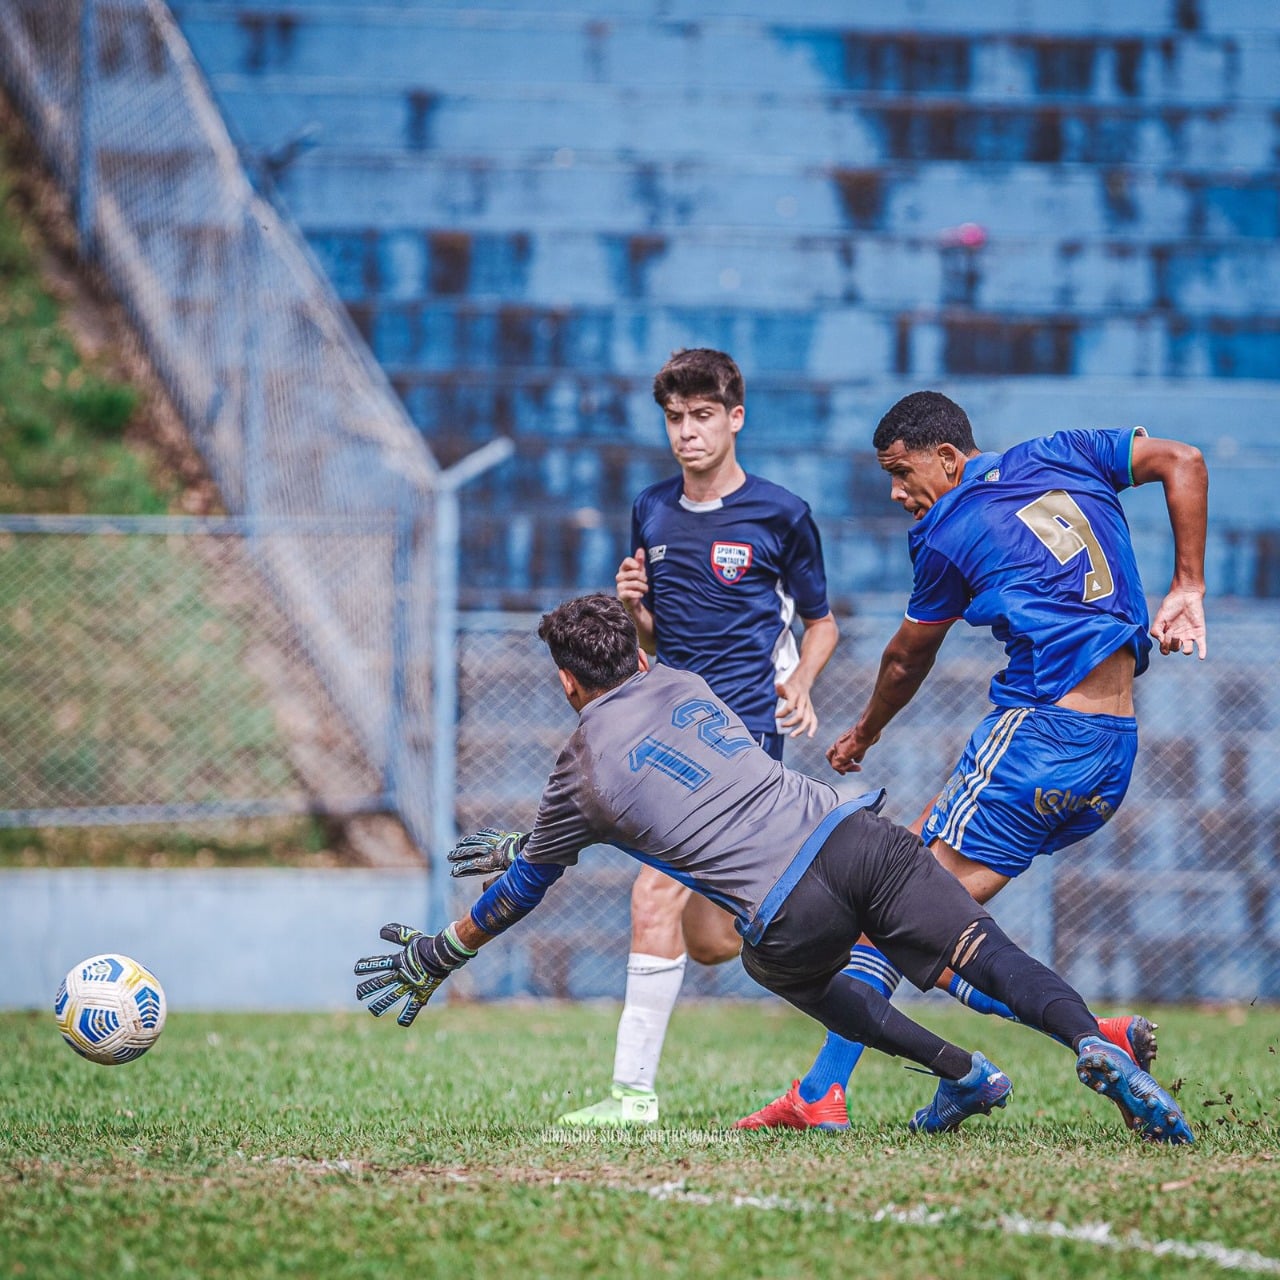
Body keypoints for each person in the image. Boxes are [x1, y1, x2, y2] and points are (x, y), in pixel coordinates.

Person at [353, 594, 1194, 1146]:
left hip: (791, 914)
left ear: (569, 684)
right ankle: (1089, 1039)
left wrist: (442, 952)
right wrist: (537, 842)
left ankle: (965, 1074)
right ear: (637, 661)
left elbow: (527, 889)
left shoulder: (582, 769)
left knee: (785, 967)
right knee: (982, 950)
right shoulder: (681, 678)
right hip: (857, 833)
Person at [736, 390, 1208, 1132]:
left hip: (1038, 738)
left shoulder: (947, 527)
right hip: (1110, 754)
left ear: (948, 459)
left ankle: (827, 1091)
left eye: (901, 471)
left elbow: (904, 659)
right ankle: (1097, 1037)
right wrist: (1187, 585)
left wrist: (863, 734)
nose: (896, 492)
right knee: (930, 925)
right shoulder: (1069, 451)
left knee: (889, 915)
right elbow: (1184, 460)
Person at [565, 347, 839, 1127]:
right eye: (675, 420)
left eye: (702, 417)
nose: (686, 433)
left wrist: (801, 682)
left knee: (651, 890)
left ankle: (631, 1098)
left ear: (734, 417)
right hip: (667, 730)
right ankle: (850, 949)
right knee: (719, 938)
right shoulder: (650, 509)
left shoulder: (782, 514)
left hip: (744, 735)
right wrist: (633, 609)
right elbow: (654, 632)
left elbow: (822, 625)